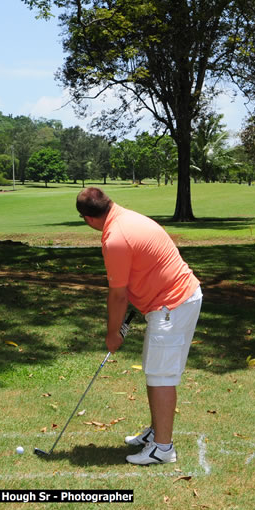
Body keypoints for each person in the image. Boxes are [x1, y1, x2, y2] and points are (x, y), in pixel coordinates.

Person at [76, 187, 202, 465]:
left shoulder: (115, 238)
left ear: (88, 219)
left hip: (173, 303)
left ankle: (163, 449)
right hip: (172, 300)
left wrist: (112, 334)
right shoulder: (126, 218)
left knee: (162, 376)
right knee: (154, 370)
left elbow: (118, 295)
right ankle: (158, 431)